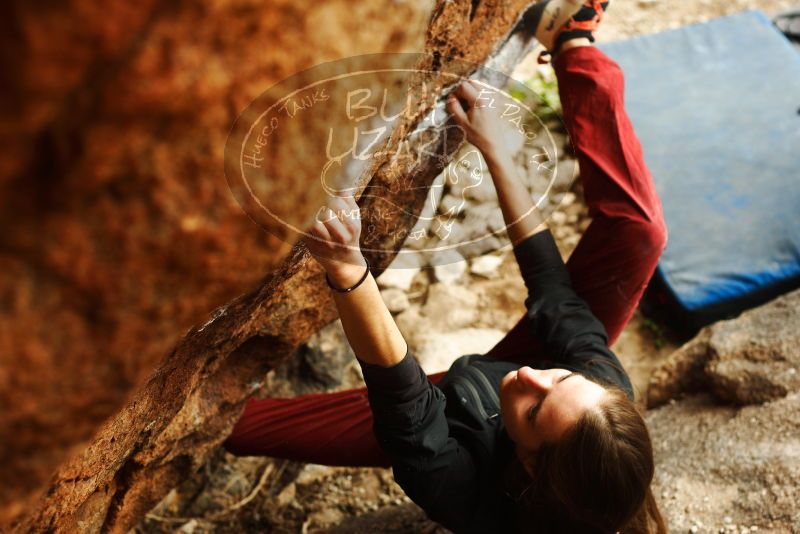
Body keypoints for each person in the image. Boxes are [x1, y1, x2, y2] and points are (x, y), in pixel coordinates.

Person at [224, 1, 669, 532]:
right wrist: (498, 152)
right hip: (487, 391)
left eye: (535, 409)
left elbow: (406, 402)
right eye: (560, 378)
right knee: (640, 236)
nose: (532, 377)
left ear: (527, 468)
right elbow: (555, 294)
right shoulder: (593, 400)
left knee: (236, 427)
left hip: (440, 411)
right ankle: (572, 38)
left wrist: (347, 268)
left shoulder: (466, 493)